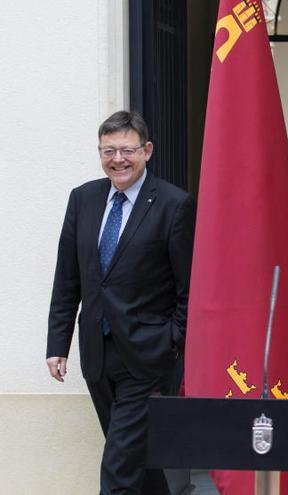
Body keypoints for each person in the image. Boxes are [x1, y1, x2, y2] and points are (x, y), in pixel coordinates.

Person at [47, 111, 195, 494]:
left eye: (127, 150)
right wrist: (57, 345)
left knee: (117, 468)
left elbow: (188, 287)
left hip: (148, 357)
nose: (118, 160)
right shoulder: (83, 199)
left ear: (146, 150)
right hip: (98, 353)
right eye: (108, 150)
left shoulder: (173, 204)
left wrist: (172, 340)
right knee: (135, 461)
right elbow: (68, 278)